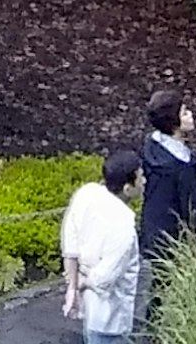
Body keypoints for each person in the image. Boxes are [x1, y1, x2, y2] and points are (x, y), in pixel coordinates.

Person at [59, 143, 144, 341]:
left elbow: (69, 241)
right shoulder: (124, 225)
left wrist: (72, 287)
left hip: (89, 312)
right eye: (140, 177)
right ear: (127, 187)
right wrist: (81, 283)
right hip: (112, 320)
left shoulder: (87, 194)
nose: (145, 181)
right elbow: (104, 278)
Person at [139, 90, 196, 293]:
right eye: (185, 112)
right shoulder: (181, 166)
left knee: (160, 286)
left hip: (153, 229)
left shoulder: (152, 147)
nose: (191, 115)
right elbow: (191, 205)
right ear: (174, 122)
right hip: (175, 237)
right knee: (168, 291)